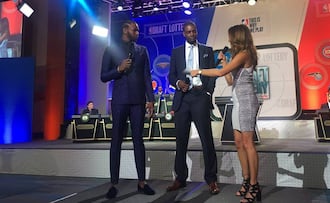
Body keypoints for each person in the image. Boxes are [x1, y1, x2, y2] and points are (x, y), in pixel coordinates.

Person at [190, 24, 261, 202]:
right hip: (237, 101)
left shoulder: (245, 54)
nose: (228, 40)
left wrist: (199, 71)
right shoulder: (238, 55)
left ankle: (254, 185)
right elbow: (229, 80)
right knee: (238, 142)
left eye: (231, 37)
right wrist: (223, 60)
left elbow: (221, 73)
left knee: (248, 143)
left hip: (246, 102)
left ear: (237, 37)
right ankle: (245, 181)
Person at [100, 19, 156, 199]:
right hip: (120, 101)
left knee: (138, 140)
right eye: (135, 29)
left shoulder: (142, 51)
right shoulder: (111, 49)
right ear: (125, 29)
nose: (138, 32)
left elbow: (147, 76)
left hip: (138, 101)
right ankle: (113, 184)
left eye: (138, 30)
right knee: (116, 141)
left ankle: (142, 182)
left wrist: (151, 100)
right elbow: (103, 76)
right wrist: (119, 68)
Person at [167, 21, 219, 195]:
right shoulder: (176, 52)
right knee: (181, 141)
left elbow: (213, 73)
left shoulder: (207, 50)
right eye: (188, 32)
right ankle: (180, 178)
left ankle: (211, 179)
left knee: (207, 140)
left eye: (194, 31)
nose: (191, 34)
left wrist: (208, 93)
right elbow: (171, 76)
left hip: (200, 98)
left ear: (196, 32)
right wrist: (178, 82)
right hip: (182, 99)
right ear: (183, 33)